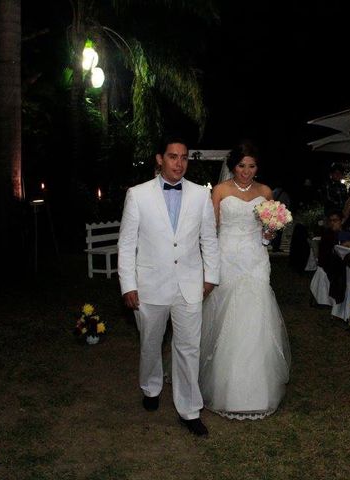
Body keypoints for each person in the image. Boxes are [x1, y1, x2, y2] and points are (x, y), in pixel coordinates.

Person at [118, 136, 220, 437]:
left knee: (188, 347)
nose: (179, 163)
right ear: (160, 159)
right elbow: (127, 244)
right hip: (150, 285)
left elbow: (208, 239)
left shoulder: (201, 194)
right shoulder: (137, 195)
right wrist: (128, 285)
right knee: (151, 342)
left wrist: (210, 276)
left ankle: (189, 410)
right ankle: (151, 387)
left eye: (184, 157)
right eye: (173, 157)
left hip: (189, 285)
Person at [200, 140, 291, 420]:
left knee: (256, 313)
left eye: (251, 166)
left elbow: (267, 230)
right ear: (233, 166)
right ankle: (227, 387)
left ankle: (257, 390)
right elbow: (211, 229)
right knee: (229, 316)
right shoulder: (220, 191)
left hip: (255, 258)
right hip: (227, 257)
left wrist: (269, 233)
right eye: (242, 165)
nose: (246, 171)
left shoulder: (265, 191)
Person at [271, 185, 291, 252]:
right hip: (281, 215)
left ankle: (273, 245)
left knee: (273, 230)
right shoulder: (285, 194)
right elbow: (287, 204)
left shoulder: (272, 192)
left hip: (273, 214)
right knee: (279, 232)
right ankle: (276, 246)